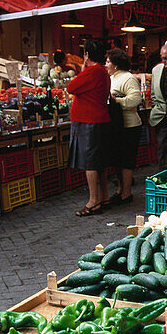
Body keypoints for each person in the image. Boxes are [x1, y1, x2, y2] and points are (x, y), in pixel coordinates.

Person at [67, 39, 111, 216]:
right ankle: (104, 196)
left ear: (87, 55)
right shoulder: (103, 72)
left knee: (90, 162)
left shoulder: (92, 71)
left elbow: (71, 87)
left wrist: (84, 67)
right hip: (98, 120)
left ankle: (93, 201)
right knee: (99, 162)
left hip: (88, 122)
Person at [106, 47, 142, 205]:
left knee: (126, 161)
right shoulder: (112, 78)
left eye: (108, 61)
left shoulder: (128, 78)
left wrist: (117, 101)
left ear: (116, 64)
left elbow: (135, 99)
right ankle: (120, 190)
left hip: (130, 125)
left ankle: (126, 193)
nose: (105, 64)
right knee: (118, 161)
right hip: (117, 126)